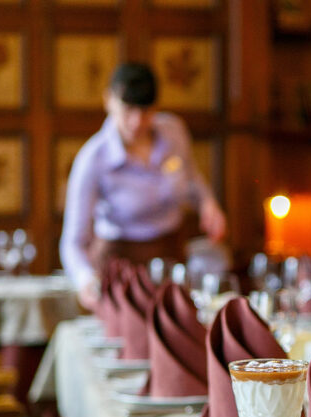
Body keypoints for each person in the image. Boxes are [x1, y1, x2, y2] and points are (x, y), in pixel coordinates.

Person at [60, 62, 226, 310]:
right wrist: (86, 280)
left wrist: (207, 203)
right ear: (109, 101)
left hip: (171, 255)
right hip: (119, 264)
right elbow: (72, 242)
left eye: (146, 112)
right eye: (128, 111)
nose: (137, 122)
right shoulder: (93, 158)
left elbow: (191, 178)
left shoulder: (174, 131)